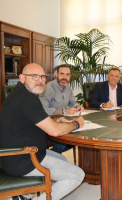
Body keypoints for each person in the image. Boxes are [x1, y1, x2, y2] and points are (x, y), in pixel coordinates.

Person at [0, 63, 85, 200]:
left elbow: (31, 121)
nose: (40, 80)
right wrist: (76, 123)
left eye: (42, 77)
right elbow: (55, 132)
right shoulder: (27, 99)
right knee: (77, 175)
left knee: (62, 158)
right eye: (34, 76)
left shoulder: (21, 94)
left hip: (13, 156)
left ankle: (23, 196)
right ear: (22, 78)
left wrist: (53, 121)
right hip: (23, 158)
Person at [39, 64, 84, 154]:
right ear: (56, 74)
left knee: (78, 139)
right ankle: (46, 157)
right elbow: (42, 110)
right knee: (62, 143)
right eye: (62, 74)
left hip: (63, 122)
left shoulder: (68, 88)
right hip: (49, 123)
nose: (64, 77)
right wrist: (63, 111)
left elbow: (73, 102)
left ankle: (53, 156)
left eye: (67, 74)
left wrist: (78, 106)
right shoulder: (48, 88)